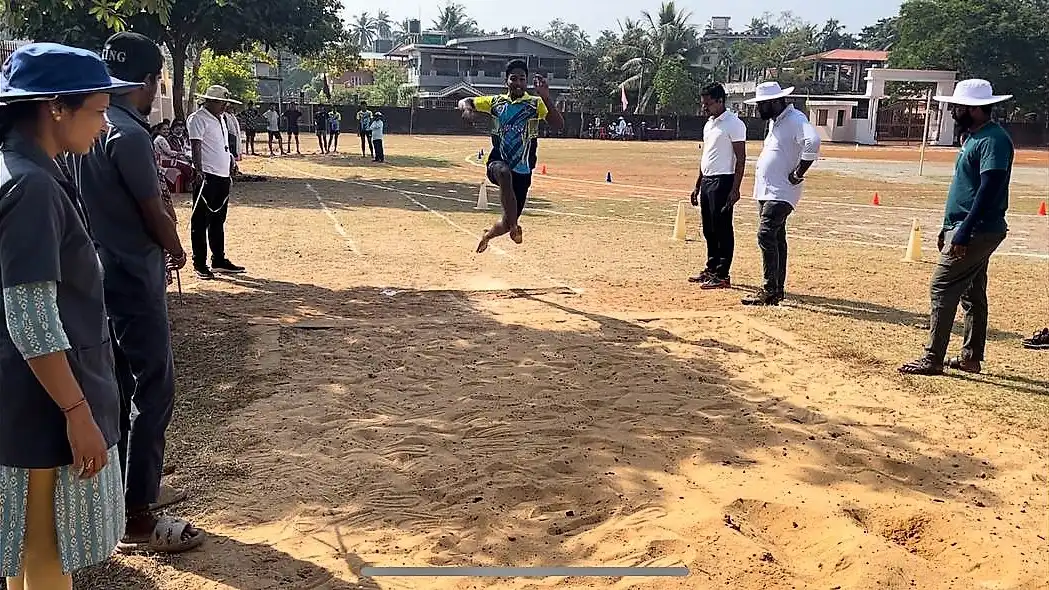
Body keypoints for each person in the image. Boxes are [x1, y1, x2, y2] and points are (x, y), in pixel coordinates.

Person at [0, 41, 137, 589]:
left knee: (34, 548)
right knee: (43, 546)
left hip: (36, 391)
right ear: (56, 107)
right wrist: (78, 413)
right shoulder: (31, 186)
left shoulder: (29, 169)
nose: (105, 125)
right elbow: (30, 315)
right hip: (42, 401)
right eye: (99, 111)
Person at [64, 32, 203, 555]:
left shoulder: (88, 131)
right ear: (147, 82)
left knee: (118, 388)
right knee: (155, 390)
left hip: (99, 274)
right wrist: (176, 248)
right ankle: (139, 512)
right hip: (135, 277)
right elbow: (151, 207)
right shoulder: (129, 135)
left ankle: (121, 495)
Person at [899, 80, 1014, 375]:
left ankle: (933, 357)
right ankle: (970, 357)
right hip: (966, 226)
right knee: (972, 292)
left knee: (942, 286)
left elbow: (989, 187)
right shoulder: (975, 137)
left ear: (975, 109)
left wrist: (964, 230)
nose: (952, 110)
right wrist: (948, 226)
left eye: (958, 106)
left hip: (977, 228)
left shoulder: (993, 140)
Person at [458, 59, 564, 253]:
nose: (517, 83)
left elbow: (558, 125)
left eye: (522, 79)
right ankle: (516, 228)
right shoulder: (496, 102)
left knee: (506, 224)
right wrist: (466, 110)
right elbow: (465, 101)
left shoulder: (535, 104)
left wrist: (547, 98)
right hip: (497, 163)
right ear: (506, 81)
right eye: (513, 78)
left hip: (523, 171)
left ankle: (489, 235)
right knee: (504, 173)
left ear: (526, 82)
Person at [741, 81, 820, 306]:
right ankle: (777, 289)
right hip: (767, 190)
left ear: (775, 102)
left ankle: (770, 289)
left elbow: (813, 142)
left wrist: (798, 173)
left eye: (762, 105)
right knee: (776, 238)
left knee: (766, 234)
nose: (758, 110)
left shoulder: (796, 120)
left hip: (783, 191)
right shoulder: (776, 122)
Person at [689, 82, 747, 289]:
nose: (704, 107)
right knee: (709, 228)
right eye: (703, 103)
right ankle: (712, 267)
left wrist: (735, 188)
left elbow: (741, 158)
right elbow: (706, 156)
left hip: (724, 181)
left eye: (708, 104)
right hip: (707, 181)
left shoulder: (734, 124)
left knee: (722, 228)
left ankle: (723, 274)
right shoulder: (710, 124)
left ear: (720, 101)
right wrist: (698, 184)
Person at [187, 85, 246, 279]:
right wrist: (198, 170)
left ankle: (218, 259)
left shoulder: (222, 119)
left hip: (222, 175)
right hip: (207, 176)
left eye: (225, 102)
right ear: (210, 101)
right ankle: (199, 263)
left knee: (218, 219)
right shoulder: (198, 118)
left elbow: (222, 145)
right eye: (221, 102)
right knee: (200, 221)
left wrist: (230, 162)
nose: (224, 106)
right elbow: (196, 145)